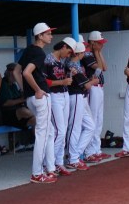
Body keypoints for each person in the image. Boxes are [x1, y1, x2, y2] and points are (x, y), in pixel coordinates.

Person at [21, 23, 56, 183]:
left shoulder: (28, 49)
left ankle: (50, 168)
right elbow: (26, 72)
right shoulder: (39, 52)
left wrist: (26, 91)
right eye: (47, 33)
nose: (51, 36)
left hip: (31, 98)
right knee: (43, 133)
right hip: (40, 96)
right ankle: (37, 173)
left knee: (49, 132)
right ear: (40, 36)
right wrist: (37, 89)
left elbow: (17, 70)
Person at [45, 37, 77, 176]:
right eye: (68, 51)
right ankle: (48, 163)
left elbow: (71, 67)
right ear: (63, 47)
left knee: (62, 131)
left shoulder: (63, 61)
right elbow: (43, 81)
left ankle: (58, 162)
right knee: (59, 131)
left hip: (64, 94)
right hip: (54, 96)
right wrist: (61, 82)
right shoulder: (48, 59)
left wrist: (71, 72)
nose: (69, 55)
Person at [65, 40, 98, 170]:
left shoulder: (71, 63)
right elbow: (87, 85)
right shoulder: (72, 65)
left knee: (90, 126)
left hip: (79, 97)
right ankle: (72, 158)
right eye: (82, 52)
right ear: (79, 53)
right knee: (74, 128)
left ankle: (75, 154)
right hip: (75, 96)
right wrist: (94, 81)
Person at [81, 31, 110, 162]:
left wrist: (98, 52)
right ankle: (90, 151)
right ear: (92, 43)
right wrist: (97, 53)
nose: (101, 45)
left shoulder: (94, 53)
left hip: (99, 88)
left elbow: (105, 67)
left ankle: (96, 150)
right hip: (92, 88)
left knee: (99, 120)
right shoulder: (87, 54)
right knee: (93, 120)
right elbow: (99, 67)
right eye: (99, 43)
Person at [0, 63, 34, 129]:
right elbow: (5, 103)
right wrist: (22, 99)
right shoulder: (2, 84)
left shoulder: (14, 85)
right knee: (25, 111)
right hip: (5, 115)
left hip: (17, 116)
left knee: (35, 120)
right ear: (10, 73)